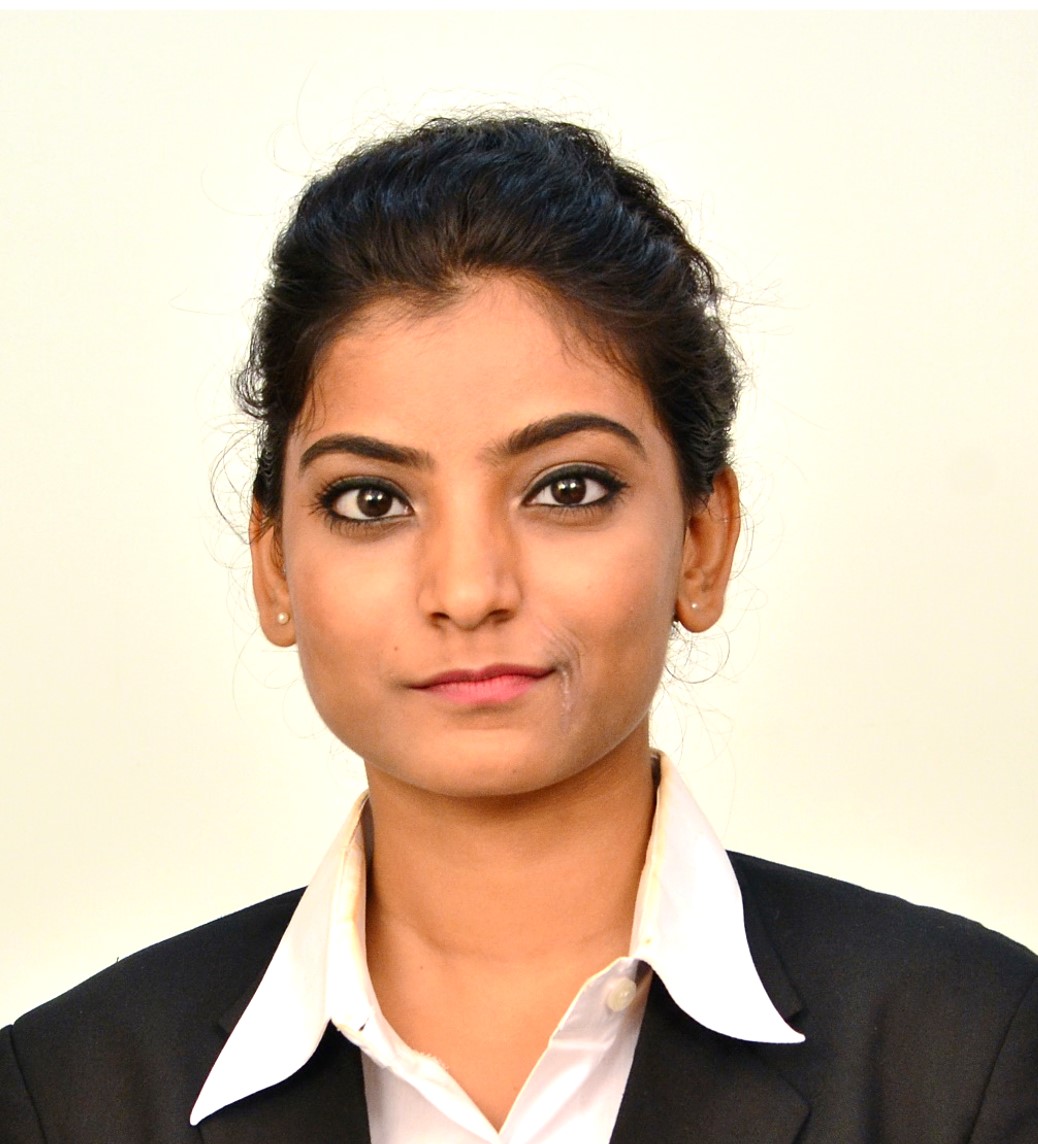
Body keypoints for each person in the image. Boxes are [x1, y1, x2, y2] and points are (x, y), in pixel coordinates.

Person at [2, 114, 1035, 1144]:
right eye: (372, 500)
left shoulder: (971, 1056)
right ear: (275, 564)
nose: (468, 590)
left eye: (567, 488)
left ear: (702, 541)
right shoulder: (64, 1096)